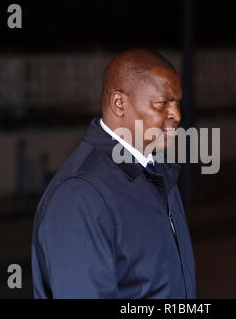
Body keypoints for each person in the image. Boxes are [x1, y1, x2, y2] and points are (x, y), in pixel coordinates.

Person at [31, 49, 196, 298]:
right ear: (119, 103)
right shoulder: (79, 196)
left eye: (177, 103)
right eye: (163, 103)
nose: (177, 115)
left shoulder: (157, 171)